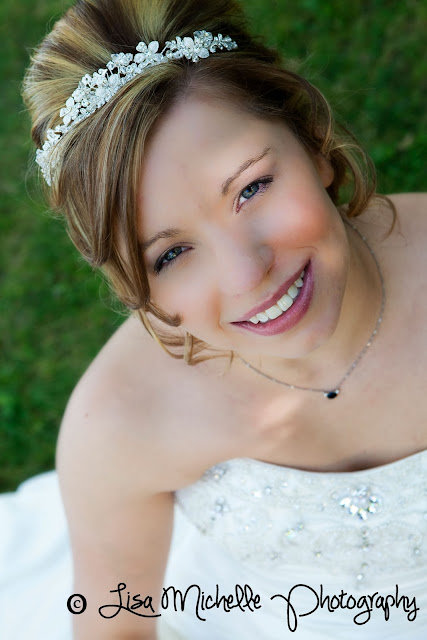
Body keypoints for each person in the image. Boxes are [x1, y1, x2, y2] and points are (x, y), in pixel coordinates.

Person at [2, 0, 425, 638]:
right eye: (170, 254)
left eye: (251, 188)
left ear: (315, 145)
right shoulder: (119, 423)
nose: (246, 274)